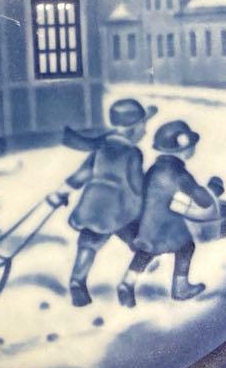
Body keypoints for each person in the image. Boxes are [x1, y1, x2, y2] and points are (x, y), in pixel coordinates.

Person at [118, 119, 223, 307]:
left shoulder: (154, 169)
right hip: (167, 225)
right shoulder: (178, 173)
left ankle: (127, 282)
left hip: (147, 224)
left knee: (146, 252)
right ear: (182, 148)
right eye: (190, 145)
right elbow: (202, 199)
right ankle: (180, 288)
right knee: (186, 247)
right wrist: (212, 191)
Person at [62, 98, 157, 307]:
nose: (145, 131)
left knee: (88, 243)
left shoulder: (101, 148)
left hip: (94, 207)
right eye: (144, 125)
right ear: (133, 129)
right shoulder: (133, 153)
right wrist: (146, 208)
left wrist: (62, 192)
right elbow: (136, 185)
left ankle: (77, 281)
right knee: (146, 243)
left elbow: (83, 173)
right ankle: (128, 283)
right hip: (122, 210)